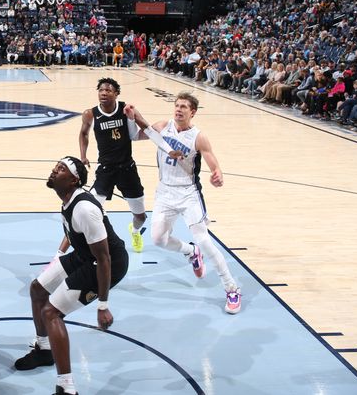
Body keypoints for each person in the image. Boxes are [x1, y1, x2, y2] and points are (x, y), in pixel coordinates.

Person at [14, 157, 128, 395]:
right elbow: (73, 231)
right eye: (56, 166)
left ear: (74, 180)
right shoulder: (67, 200)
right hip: (86, 254)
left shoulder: (85, 209)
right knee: (38, 289)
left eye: (62, 169)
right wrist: (59, 255)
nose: (55, 170)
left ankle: (66, 387)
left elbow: (105, 258)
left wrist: (103, 305)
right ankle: (45, 351)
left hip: (107, 263)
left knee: (52, 312)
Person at [125, 92, 242, 314]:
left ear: (193, 112)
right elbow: (135, 136)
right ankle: (190, 252)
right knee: (158, 239)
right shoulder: (162, 126)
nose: (178, 109)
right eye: (177, 105)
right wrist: (131, 117)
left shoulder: (199, 137)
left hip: (188, 194)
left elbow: (213, 164)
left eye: (184, 107)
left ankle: (231, 288)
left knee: (205, 241)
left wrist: (217, 174)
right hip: (164, 193)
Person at [79, 78, 148, 253]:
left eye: (108, 90)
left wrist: (164, 140)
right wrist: (83, 156)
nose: (103, 93)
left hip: (127, 168)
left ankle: (135, 231)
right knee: (90, 208)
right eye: (101, 90)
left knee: (141, 216)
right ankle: (88, 245)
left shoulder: (126, 109)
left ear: (116, 93)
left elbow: (145, 128)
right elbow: (83, 134)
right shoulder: (90, 114)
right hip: (105, 169)